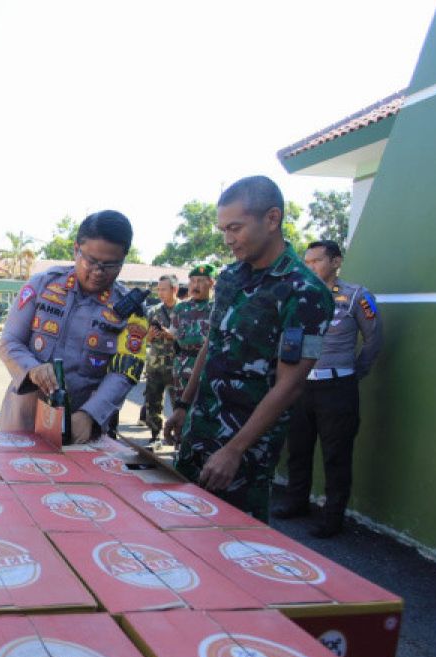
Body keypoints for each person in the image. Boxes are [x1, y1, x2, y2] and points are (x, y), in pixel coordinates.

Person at [163, 176, 334, 521]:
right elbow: (211, 344)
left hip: (244, 452)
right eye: (223, 229)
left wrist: (235, 450)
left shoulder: (307, 292)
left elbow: (291, 384)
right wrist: (184, 404)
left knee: (231, 542)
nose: (227, 240)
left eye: (235, 228)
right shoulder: (229, 277)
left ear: (272, 219)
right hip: (199, 433)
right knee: (180, 527)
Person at [0, 210, 138, 443]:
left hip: (84, 429)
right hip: (24, 423)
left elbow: (123, 372)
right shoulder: (42, 286)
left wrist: (90, 414)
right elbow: (9, 342)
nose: (98, 272)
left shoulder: (131, 311)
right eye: (91, 261)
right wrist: (33, 369)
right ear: (76, 249)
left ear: (123, 260)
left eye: (110, 265)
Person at [274, 240, 383, 537]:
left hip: (337, 387)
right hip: (300, 386)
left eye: (316, 261)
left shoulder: (356, 296)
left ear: (336, 262)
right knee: (298, 449)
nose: (309, 267)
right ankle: (296, 502)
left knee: (336, 455)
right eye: (306, 262)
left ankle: (332, 518)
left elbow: (374, 340)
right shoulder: (297, 297)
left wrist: (352, 373)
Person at [142, 275, 180, 447]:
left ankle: (179, 437)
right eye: (158, 289)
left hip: (176, 366)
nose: (160, 293)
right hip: (155, 364)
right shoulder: (153, 311)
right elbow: (143, 340)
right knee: (152, 401)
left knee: (178, 403)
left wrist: (172, 336)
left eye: (164, 289)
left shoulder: (184, 310)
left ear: (175, 289)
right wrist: (149, 337)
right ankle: (155, 434)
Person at [170, 263, 216, 399]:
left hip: (207, 367)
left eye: (200, 281)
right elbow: (172, 334)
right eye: (192, 281)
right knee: (179, 407)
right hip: (182, 365)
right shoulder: (180, 308)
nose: (195, 285)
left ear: (211, 283)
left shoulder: (217, 308)